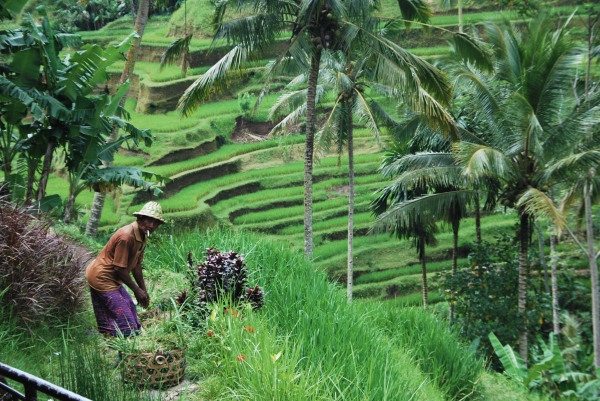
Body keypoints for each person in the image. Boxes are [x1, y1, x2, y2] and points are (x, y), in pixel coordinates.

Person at [86, 201, 165, 336]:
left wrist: (143, 291)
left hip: (113, 278)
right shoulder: (126, 236)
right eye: (148, 220)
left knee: (131, 309)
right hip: (102, 277)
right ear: (140, 219)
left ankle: (106, 331)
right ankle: (106, 334)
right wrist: (136, 290)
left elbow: (136, 265)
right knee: (128, 327)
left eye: (155, 222)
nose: (152, 225)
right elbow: (119, 269)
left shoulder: (143, 234)